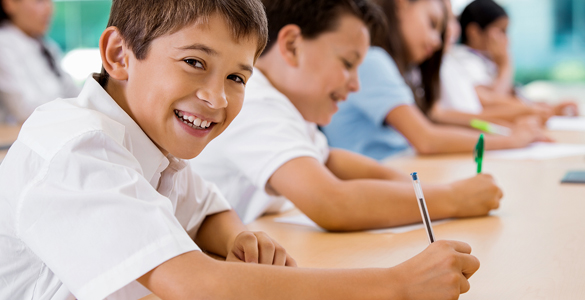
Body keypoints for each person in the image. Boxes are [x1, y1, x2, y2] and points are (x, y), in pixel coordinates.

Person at [0, 0, 480, 299]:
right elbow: (197, 285)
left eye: (236, 77)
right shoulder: (77, 147)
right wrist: (396, 286)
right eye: (193, 62)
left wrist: (236, 240)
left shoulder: (154, 145)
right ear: (119, 56)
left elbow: (208, 209)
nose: (218, 98)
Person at [190, 0, 502, 234]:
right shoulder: (254, 102)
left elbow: (329, 160)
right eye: (348, 63)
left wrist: (413, 186)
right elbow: (331, 202)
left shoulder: (286, 105)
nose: (355, 84)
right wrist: (453, 198)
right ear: (292, 45)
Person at [322, 0, 547, 161]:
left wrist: (505, 131)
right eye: (432, 24)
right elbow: (426, 139)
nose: (437, 41)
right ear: (402, 4)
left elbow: (437, 121)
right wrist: (511, 140)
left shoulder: (399, 69)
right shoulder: (373, 61)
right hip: (386, 176)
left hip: (401, 170)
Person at [438, 0, 577, 123]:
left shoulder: (484, 60)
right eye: (501, 31)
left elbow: (506, 100)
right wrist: (505, 64)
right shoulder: (465, 60)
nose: (507, 39)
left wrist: (544, 108)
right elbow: (491, 102)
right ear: (474, 32)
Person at [0, 0, 79, 124]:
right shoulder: (4, 44)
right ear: (9, 4)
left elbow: (72, 91)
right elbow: (24, 110)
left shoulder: (47, 46)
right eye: (39, 1)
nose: (49, 9)